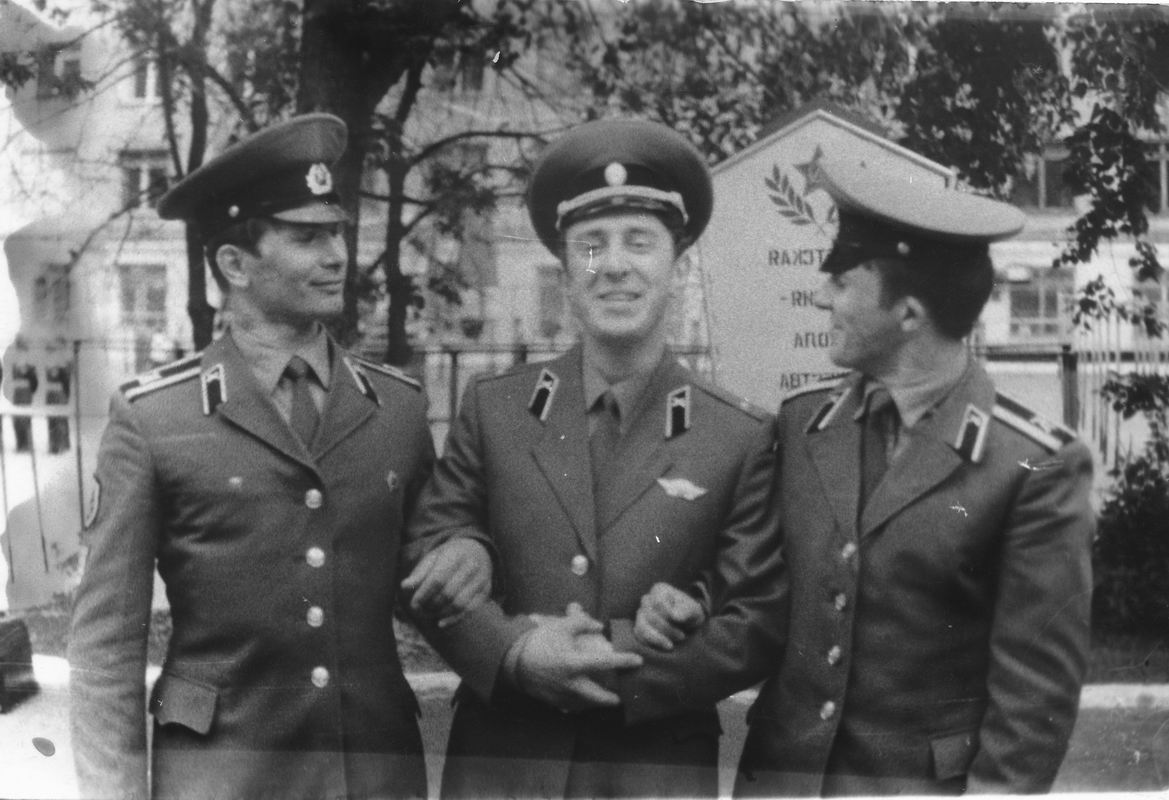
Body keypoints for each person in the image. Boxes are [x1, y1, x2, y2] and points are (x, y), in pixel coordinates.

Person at [638, 153, 1095, 796]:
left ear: (907, 314)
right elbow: (765, 581)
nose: (821, 296)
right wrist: (698, 603)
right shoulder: (805, 425)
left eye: (843, 282)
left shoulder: (1032, 466)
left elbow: (1032, 711)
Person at [400, 118, 787, 798]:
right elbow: (431, 551)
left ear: (679, 268)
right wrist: (515, 653)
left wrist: (613, 663)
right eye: (590, 245)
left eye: (639, 242)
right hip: (502, 769)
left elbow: (754, 617)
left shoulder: (737, 434)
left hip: (649, 773)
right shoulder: (495, 408)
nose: (612, 265)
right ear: (565, 270)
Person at [68, 114, 437, 800]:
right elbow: (105, 648)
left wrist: (510, 637)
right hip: (221, 778)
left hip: (374, 776)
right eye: (307, 237)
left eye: (336, 233)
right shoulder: (155, 419)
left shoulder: (399, 410)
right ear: (235, 265)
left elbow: (435, 585)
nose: (337, 255)